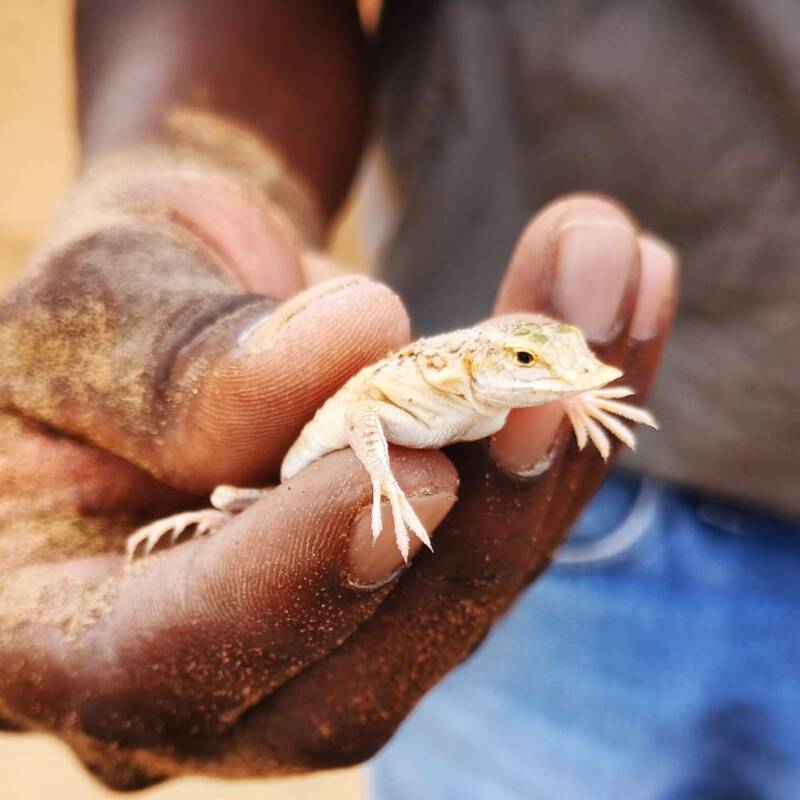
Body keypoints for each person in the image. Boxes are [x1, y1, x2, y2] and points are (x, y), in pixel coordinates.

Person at [0, 2, 789, 797]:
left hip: (574, 503)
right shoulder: (436, 386)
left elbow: (549, 364)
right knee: (268, 508)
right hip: (569, 541)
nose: (548, 373)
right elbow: (373, 415)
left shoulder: (493, 386)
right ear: (484, 364)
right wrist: (198, 170)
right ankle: (217, 514)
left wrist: (578, 395)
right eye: (523, 359)